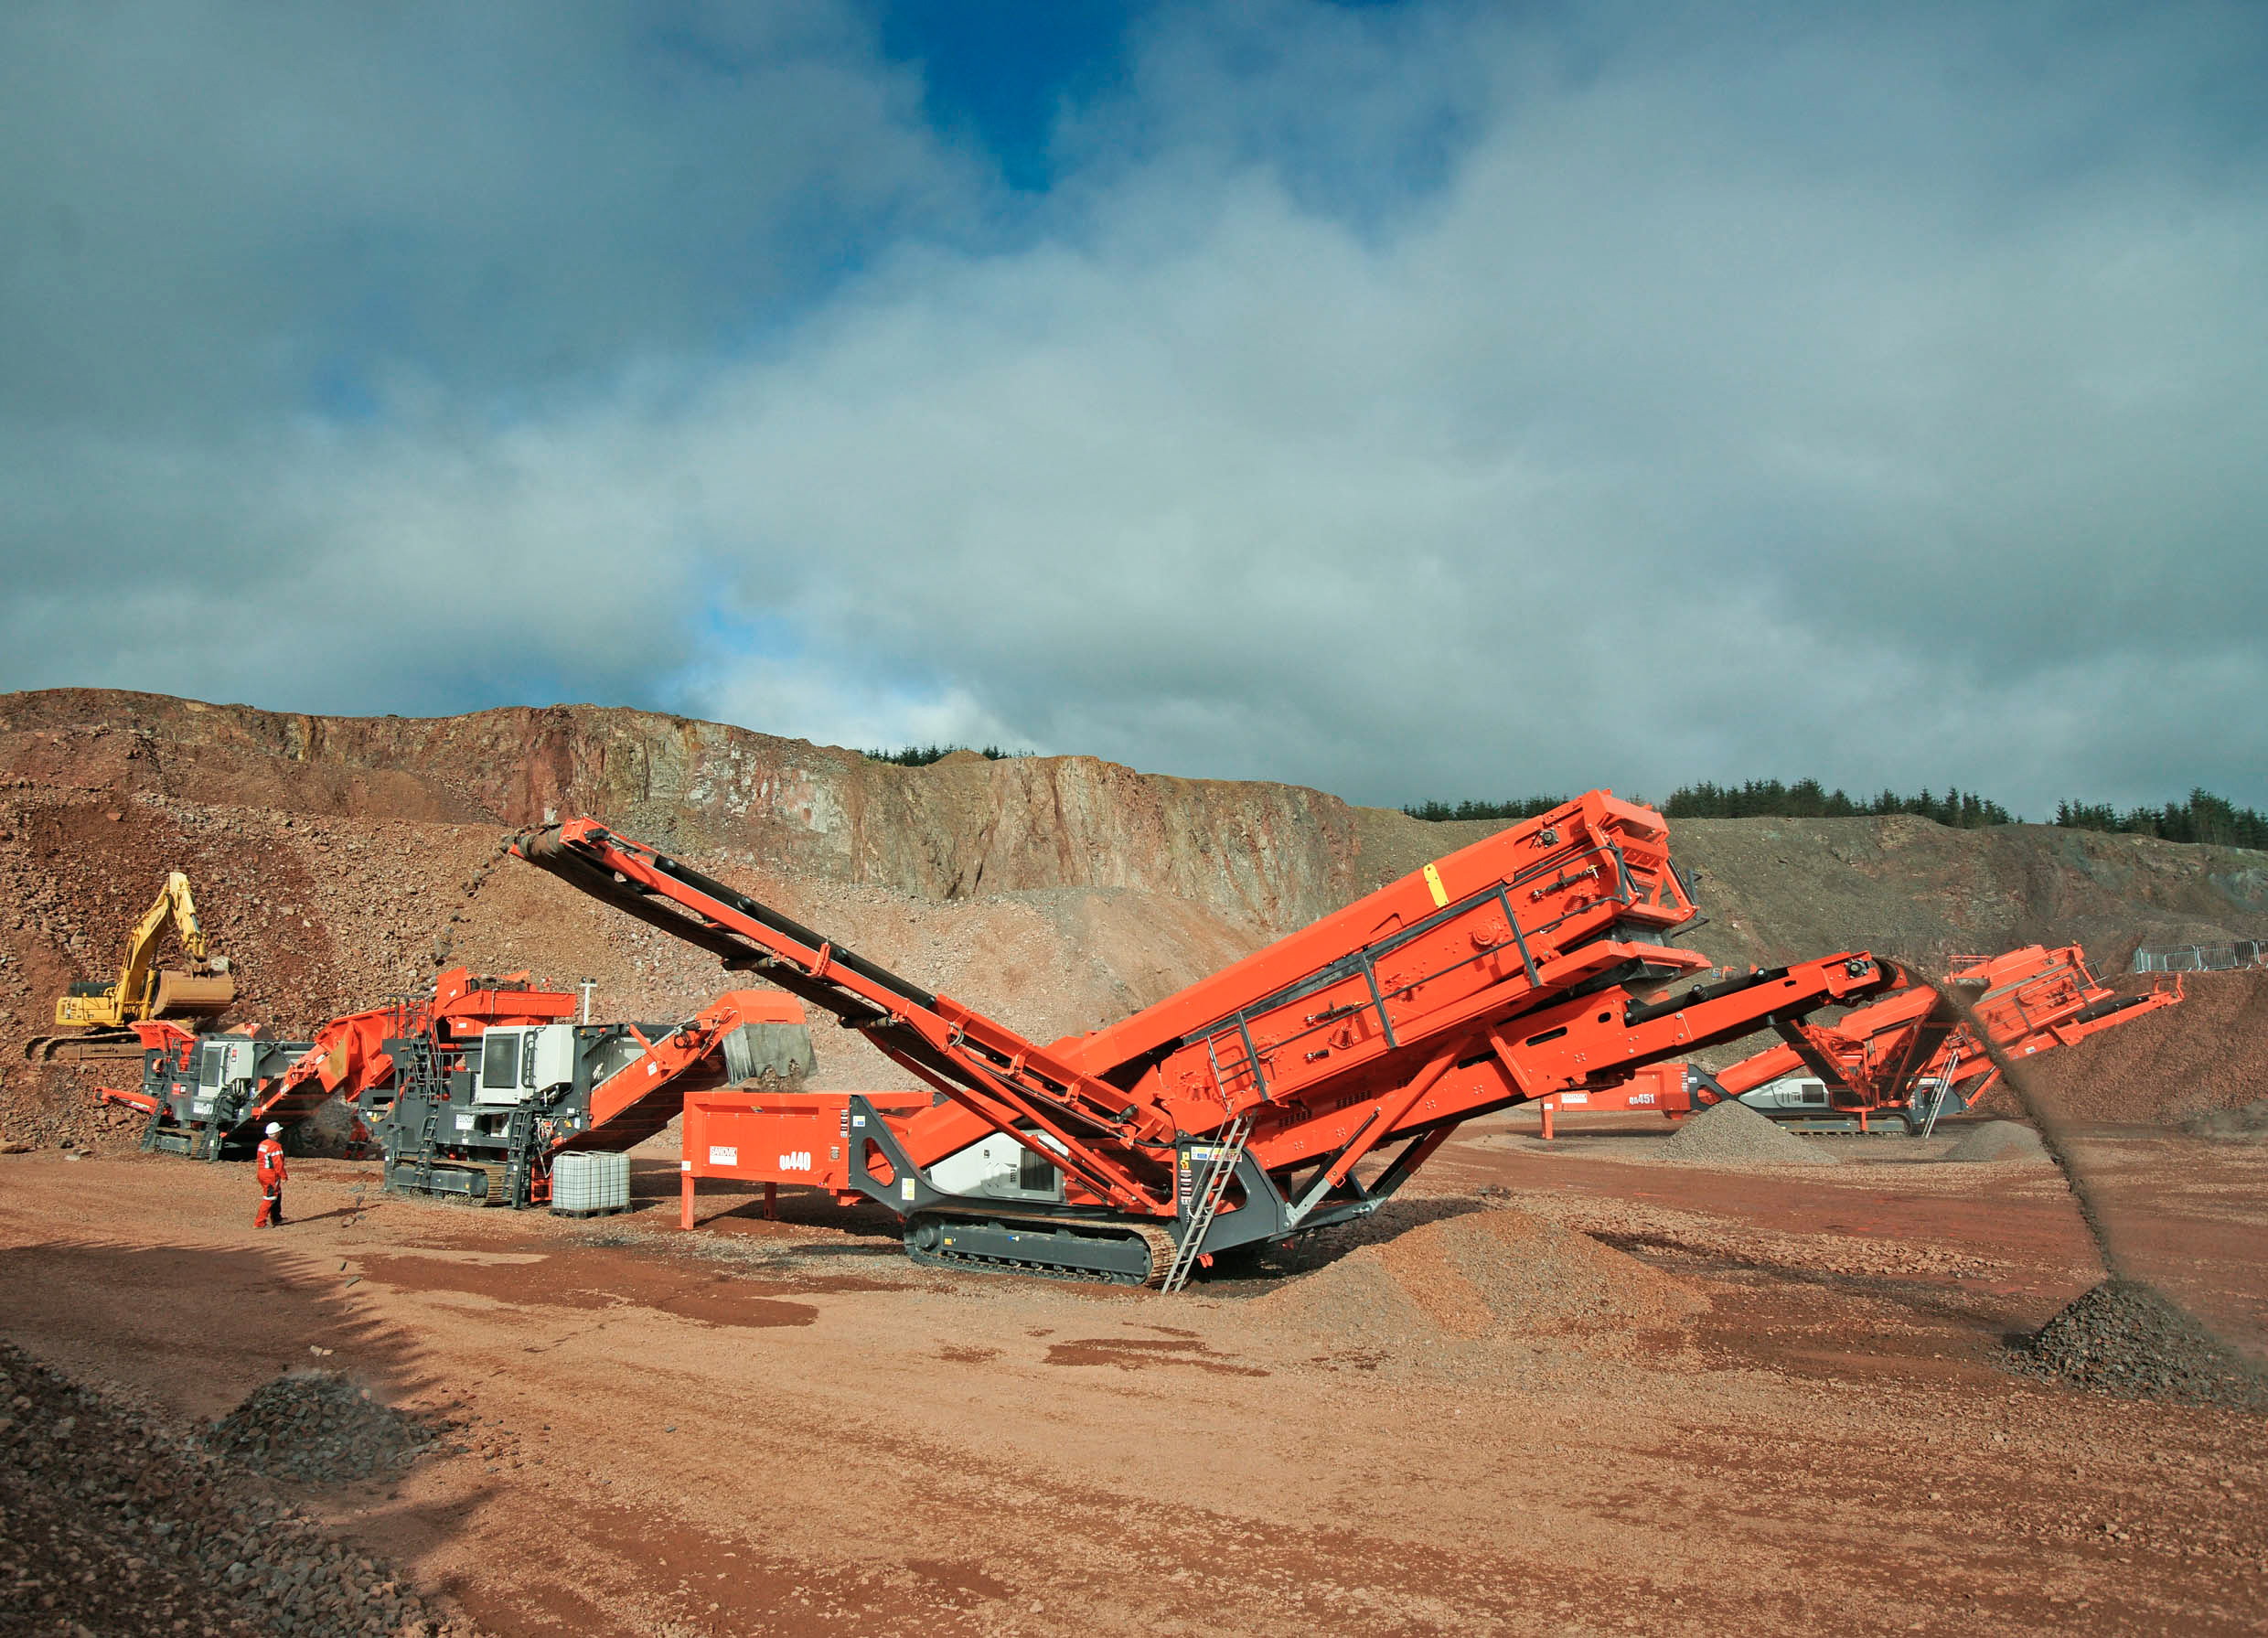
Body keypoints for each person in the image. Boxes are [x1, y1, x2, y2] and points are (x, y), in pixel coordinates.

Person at [254, 1121, 288, 1228]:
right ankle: (260, 1223)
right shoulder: (275, 1147)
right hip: (271, 1175)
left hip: (262, 1172)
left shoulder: (262, 1144)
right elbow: (278, 1164)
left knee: (277, 1194)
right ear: (276, 1133)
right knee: (269, 1198)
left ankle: (276, 1218)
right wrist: (283, 1176)